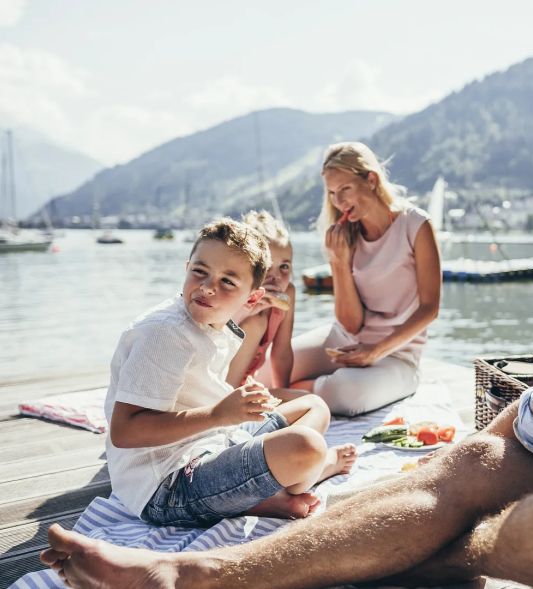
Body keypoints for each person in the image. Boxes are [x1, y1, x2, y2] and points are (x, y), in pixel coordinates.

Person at [41, 108, 533, 589]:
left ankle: (267, 569)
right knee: (511, 461)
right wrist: (469, 462)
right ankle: (215, 570)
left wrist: (468, 467)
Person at [100, 218, 356, 528]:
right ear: (186, 267)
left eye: (228, 282)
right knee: (307, 447)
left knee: (314, 406)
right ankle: (292, 483)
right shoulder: (163, 335)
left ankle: (269, 489)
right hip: (166, 485)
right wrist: (219, 414)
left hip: (214, 441)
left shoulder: (215, 323)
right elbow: (125, 433)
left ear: (252, 298)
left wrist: (235, 409)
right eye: (200, 272)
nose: (207, 287)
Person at [288, 141, 442, 416]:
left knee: (347, 392)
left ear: (371, 180)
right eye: (333, 193)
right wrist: (339, 262)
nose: (339, 201)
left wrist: (375, 351)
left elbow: (430, 308)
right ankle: (299, 393)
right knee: (277, 364)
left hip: (397, 353)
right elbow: (350, 323)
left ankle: (294, 395)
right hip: (345, 339)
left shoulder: (416, 225)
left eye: (345, 189)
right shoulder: (344, 236)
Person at [226, 210, 296, 389]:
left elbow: (282, 353)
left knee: (310, 402)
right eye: (267, 266)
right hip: (218, 387)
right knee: (256, 324)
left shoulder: (288, 293)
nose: (276, 276)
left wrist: (282, 392)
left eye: (284, 266)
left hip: (246, 385)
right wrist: (244, 312)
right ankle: (227, 410)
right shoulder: (233, 293)